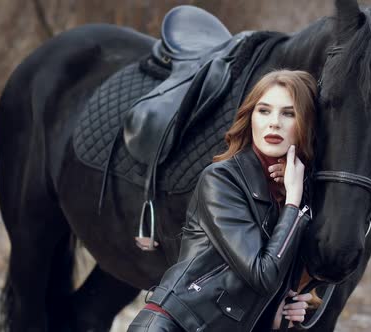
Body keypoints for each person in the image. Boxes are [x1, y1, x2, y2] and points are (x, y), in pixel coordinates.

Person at [128, 69, 318, 332]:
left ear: (306, 123)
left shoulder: (294, 195)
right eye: (264, 111)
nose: (274, 122)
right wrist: (293, 204)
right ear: (250, 118)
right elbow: (262, 274)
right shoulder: (222, 180)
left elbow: (265, 287)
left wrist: (280, 311)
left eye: (289, 113)